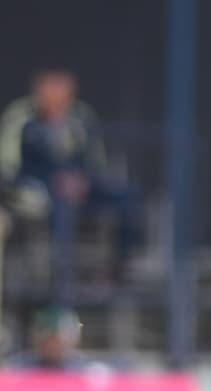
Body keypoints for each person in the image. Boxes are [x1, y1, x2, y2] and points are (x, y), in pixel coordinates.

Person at [0, 68, 143, 298]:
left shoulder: (81, 116)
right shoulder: (22, 116)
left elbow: (95, 159)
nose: (58, 102)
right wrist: (49, 181)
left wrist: (83, 180)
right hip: (39, 191)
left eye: (64, 95)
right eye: (52, 95)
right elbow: (9, 165)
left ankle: (117, 270)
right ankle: (60, 284)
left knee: (129, 197)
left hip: (80, 187)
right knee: (60, 205)